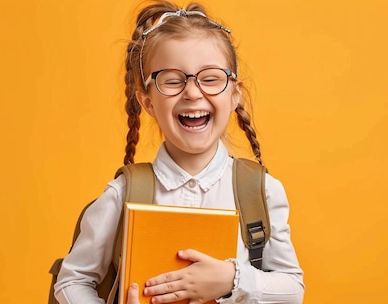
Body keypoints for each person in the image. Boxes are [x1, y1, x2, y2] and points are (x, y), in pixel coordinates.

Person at [53, 1, 305, 303]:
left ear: (235, 93)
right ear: (147, 102)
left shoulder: (261, 192)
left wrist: (233, 280)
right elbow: (72, 281)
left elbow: (292, 290)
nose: (193, 92)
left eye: (211, 78)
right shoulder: (122, 195)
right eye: (172, 80)